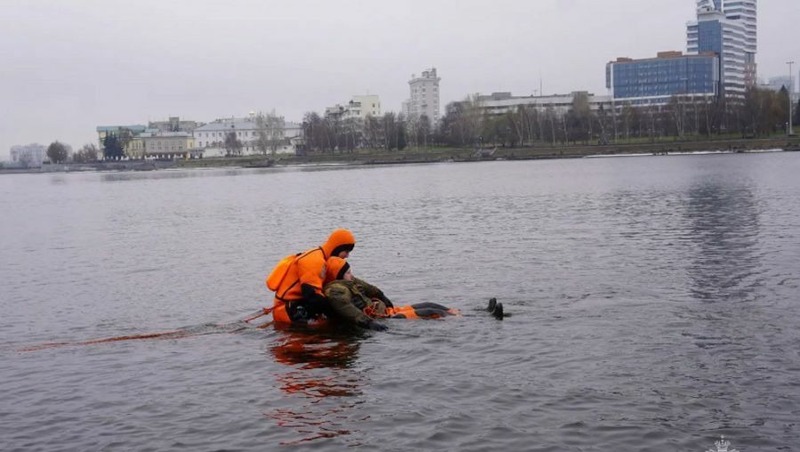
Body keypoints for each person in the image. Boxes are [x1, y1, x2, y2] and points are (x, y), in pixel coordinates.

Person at [323, 257, 458, 331]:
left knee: (429, 304)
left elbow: (370, 288)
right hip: (385, 318)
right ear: (338, 275)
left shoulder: (350, 282)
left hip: (388, 311)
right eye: (348, 273)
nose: (351, 275)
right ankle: (461, 320)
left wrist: (382, 296)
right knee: (430, 311)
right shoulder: (336, 289)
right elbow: (344, 306)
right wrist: (368, 323)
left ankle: (454, 313)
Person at [267, 228, 357, 326]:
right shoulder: (315, 260)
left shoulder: (321, 256)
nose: (347, 255)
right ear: (337, 248)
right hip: (288, 311)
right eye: (346, 251)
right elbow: (312, 296)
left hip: (294, 306)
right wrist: (339, 313)